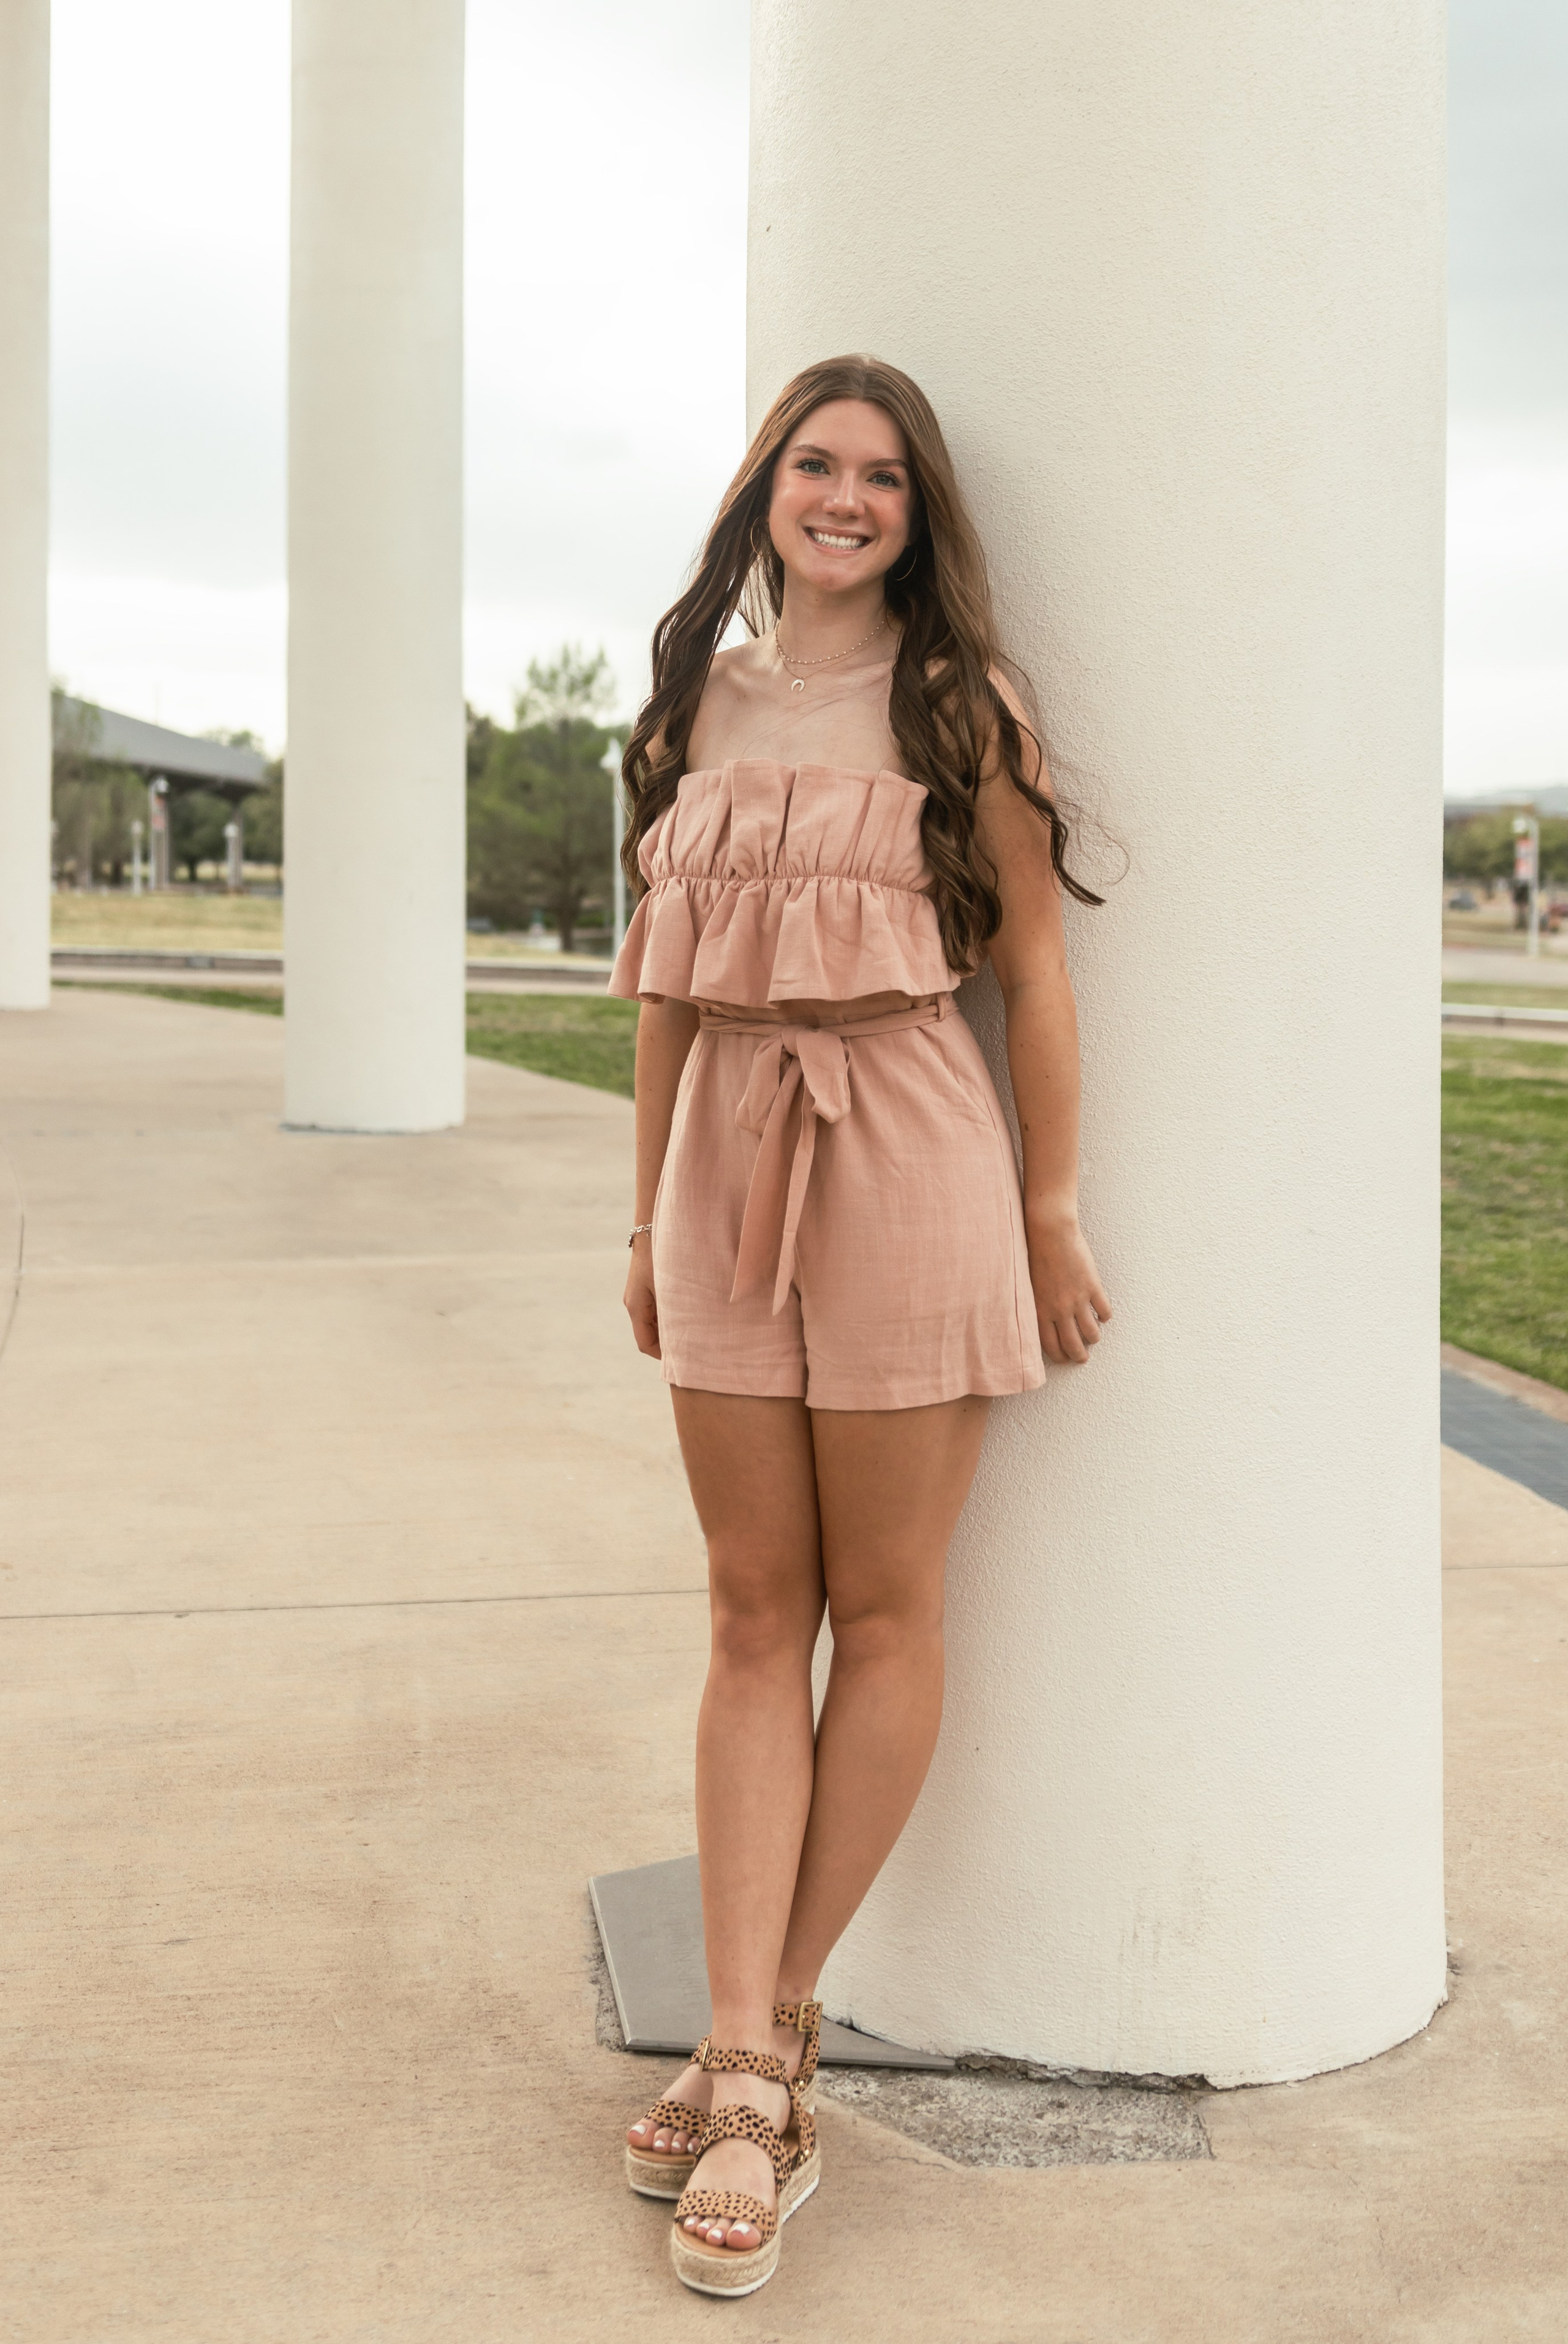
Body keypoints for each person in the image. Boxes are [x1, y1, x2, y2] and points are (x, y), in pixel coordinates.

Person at [609, 353, 1110, 2298]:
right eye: (813, 465)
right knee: (752, 1609)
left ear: (920, 512)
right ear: (765, 490)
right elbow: (660, 978)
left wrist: (1051, 1207)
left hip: (905, 1142)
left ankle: (757, 2051)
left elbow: (1040, 977)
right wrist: (642, 1204)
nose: (843, 498)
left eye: (881, 476)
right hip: (726, 1158)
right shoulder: (692, 698)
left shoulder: (961, 707)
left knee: (884, 1610)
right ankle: (753, 2032)